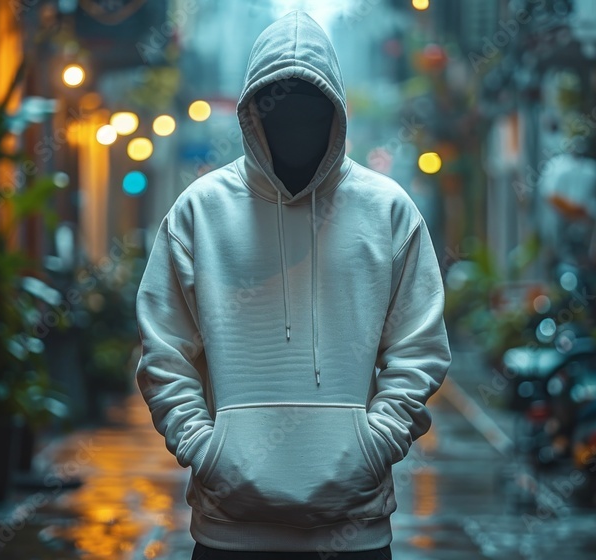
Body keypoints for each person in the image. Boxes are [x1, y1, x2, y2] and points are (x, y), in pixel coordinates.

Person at [135, 10, 452, 560]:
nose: (295, 123)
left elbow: (419, 350)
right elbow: (164, 352)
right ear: (253, 110)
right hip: (228, 532)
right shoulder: (200, 212)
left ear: (334, 112)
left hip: (353, 531)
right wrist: (204, 450)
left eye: (312, 108)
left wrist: (373, 447)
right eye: (280, 104)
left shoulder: (388, 211)